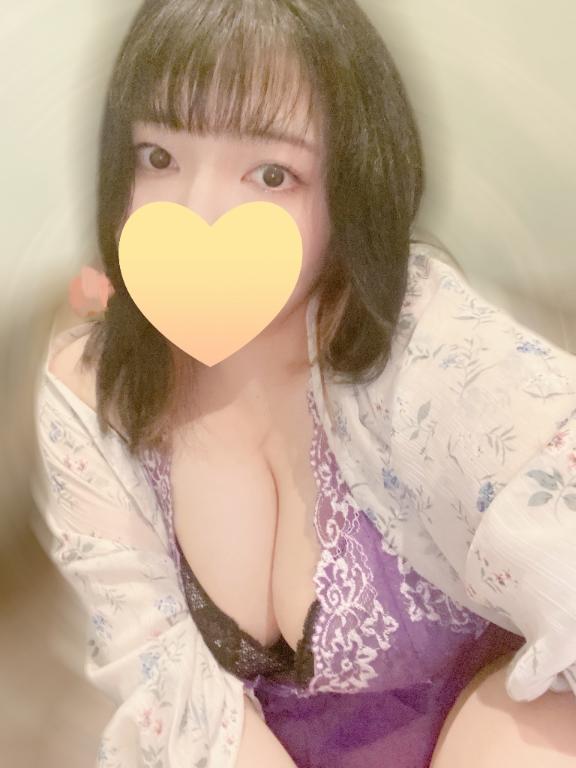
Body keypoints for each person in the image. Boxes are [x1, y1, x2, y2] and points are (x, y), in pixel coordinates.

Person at [33, 1, 576, 766]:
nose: (199, 213)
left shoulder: (428, 346)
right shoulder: (92, 395)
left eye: (271, 174)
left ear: (351, 189)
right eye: (158, 157)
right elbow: (163, 694)